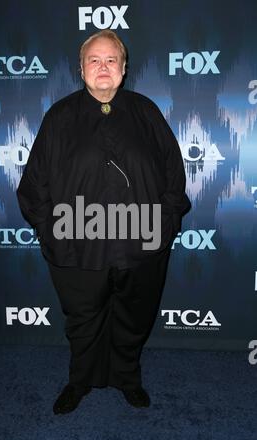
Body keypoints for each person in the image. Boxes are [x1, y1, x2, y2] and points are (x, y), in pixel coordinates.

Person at [17, 29, 191, 414]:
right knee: (83, 321)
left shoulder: (146, 112)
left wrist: (163, 224)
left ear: (124, 68)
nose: (103, 67)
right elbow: (34, 186)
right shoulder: (59, 117)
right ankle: (79, 381)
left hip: (140, 242)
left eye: (111, 60)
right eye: (94, 60)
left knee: (134, 316)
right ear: (80, 68)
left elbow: (173, 177)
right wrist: (52, 232)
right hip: (76, 243)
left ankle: (128, 379)